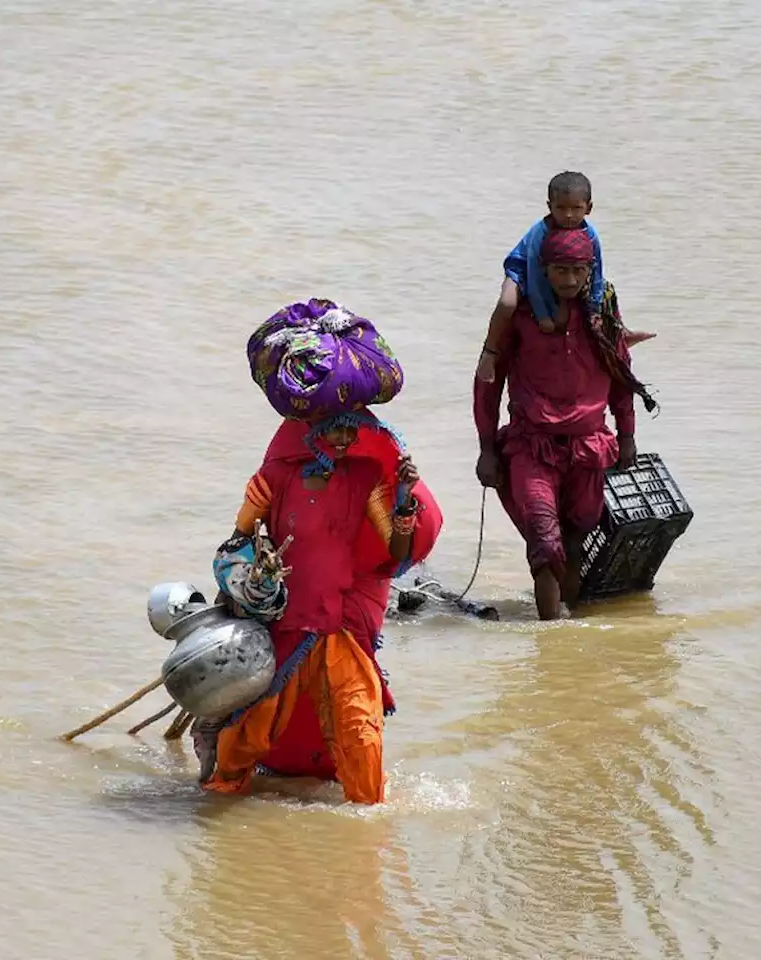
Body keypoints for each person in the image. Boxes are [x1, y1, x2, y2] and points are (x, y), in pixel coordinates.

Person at [196, 299, 440, 805]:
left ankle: (370, 822)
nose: (344, 437)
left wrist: (404, 503)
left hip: (340, 634)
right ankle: (217, 804)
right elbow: (237, 545)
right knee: (249, 735)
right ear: (311, 430)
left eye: (353, 428)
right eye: (335, 429)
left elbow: (394, 556)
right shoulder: (277, 475)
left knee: (360, 730)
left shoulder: (372, 481)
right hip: (285, 631)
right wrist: (248, 558)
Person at [472, 227, 657, 621]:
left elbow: (621, 376)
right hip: (531, 444)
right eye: (559, 270)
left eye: (577, 271)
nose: (569, 280)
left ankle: (566, 631)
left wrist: (627, 435)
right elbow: (488, 384)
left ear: (590, 270)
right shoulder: (522, 315)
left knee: (575, 539)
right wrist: (487, 448)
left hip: (588, 445)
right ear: (544, 268)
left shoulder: (602, 313)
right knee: (543, 541)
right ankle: (551, 638)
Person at [476, 171, 655, 383]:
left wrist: (595, 309)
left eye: (576, 208)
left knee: (607, 291)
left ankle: (620, 333)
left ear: (588, 208)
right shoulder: (540, 233)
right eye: (561, 208)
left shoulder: (591, 235)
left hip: (566, 268)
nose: (568, 215)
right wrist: (543, 314)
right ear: (549, 206)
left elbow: (597, 270)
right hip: (524, 268)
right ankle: (489, 352)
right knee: (507, 302)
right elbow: (534, 274)